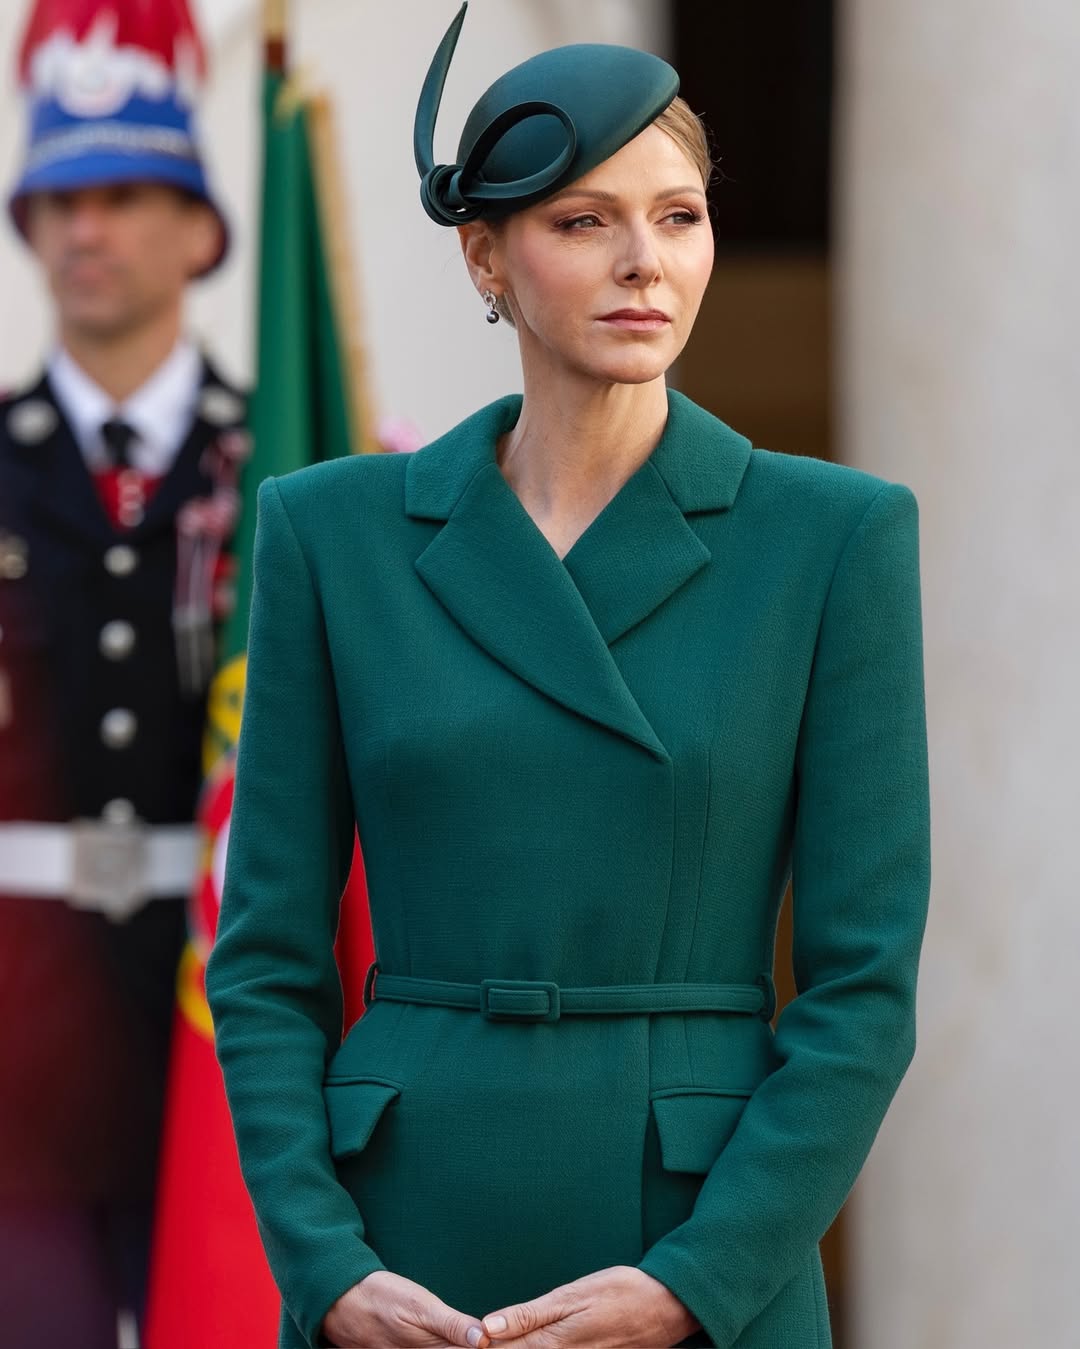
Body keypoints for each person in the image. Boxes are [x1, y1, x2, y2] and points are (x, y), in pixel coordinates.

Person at [206, 4, 931, 1347]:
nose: (643, 262)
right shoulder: (333, 532)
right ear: (485, 255)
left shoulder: (835, 538)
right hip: (402, 1247)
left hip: (702, 1236)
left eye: (678, 215)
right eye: (584, 220)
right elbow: (263, 961)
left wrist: (696, 1280)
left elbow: (860, 993)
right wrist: (324, 1262)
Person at [0, 2, 246, 1344]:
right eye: (56, 200)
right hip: (15, 1051)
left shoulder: (284, 469)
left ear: (201, 228)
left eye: (121, 193)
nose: (84, 227)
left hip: (211, 1025)